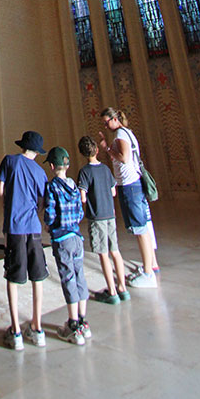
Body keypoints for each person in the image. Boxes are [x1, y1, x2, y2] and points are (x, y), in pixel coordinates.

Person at [0, 130, 49, 350]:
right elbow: (43, 201)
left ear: (22, 146)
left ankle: (16, 331)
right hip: (34, 228)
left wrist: (10, 205)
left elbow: (0, 190)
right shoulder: (40, 171)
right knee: (38, 277)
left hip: (14, 227)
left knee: (13, 276)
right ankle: (37, 328)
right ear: (37, 152)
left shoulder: (10, 161)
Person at [98, 107, 159, 288]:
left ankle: (148, 273)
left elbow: (124, 158)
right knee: (144, 225)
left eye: (106, 122)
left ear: (115, 118)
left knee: (139, 228)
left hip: (130, 186)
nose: (106, 125)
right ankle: (151, 265)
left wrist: (107, 149)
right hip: (134, 184)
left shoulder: (121, 135)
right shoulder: (127, 133)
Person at [43, 146, 90, 345]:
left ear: (52, 166)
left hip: (62, 239)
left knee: (68, 277)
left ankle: (72, 324)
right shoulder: (73, 186)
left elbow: (51, 214)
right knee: (80, 275)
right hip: (77, 237)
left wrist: (48, 225)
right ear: (68, 165)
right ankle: (82, 320)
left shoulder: (52, 187)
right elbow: (80, 213)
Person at [76, 135, 129, 304]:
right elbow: (113, 191)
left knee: (103, 254)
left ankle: (112, 291)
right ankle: (123, 287)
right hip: (110, 215)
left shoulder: (84, 172)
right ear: (97, 150)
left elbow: (83, 198)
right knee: (115, 251)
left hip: (96, 216)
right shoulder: (106, 169)